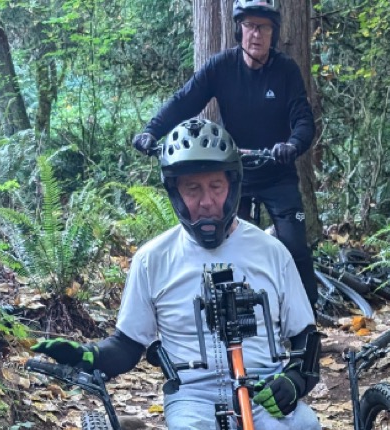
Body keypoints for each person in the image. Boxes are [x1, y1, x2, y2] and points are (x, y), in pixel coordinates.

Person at [32, 118, 332, 430]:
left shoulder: (272, 252)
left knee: (309, 426)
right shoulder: (152, 260)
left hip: (262, 386)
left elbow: (305, 338)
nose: (206, 201)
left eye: (215, 187)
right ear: (175, 192)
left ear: (232, 187)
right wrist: (89, 356)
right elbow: (127, 344)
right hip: (194, 393)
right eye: (193, 189)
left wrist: (294, 381)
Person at [131, 0, 320, 309]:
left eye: (264, 27)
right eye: (249, 26)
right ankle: (234, 320)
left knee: (295, 244)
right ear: (238, 30)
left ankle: (308, 322)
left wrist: (292, 146)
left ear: (274, 33)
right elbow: (184, 101)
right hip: (234, 175)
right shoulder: (221, 67)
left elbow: (302, 118)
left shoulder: (285, 70)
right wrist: (153, 131)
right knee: (228, 247)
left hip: (276, 172)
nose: (256, 34)